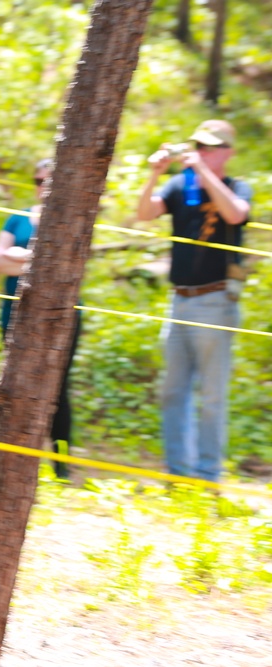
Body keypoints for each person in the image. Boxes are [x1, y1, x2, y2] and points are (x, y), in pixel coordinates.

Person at [137, 119, 251, 482]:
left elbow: (236, 213)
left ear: (228, 153)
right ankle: (178, 474)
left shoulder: (236, 187)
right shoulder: (179, 185)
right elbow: (143, 213)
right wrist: (155, 174)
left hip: (216, 301)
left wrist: (202, 171)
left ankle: (207, 476)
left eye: (210, 147)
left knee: (212, 397)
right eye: (198, 146)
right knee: (173, 392)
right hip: (179, 302)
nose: (201, 152)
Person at [0, 158, 77, 478]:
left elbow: (68, 270)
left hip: (63, 315)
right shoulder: (17, 219)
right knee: (15, 383)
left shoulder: (73, 219)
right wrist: (42, 259)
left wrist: (22, 256)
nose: (45, 187)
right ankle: (17, 458)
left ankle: (61, 462)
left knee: (59, 387)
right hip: (15, 311)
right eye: (39, 181)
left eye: (51, 180)